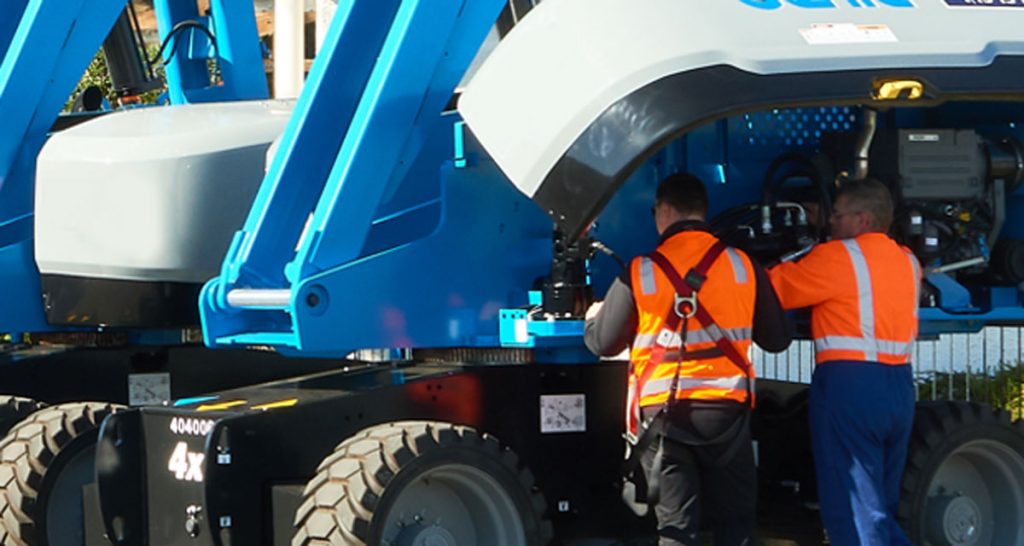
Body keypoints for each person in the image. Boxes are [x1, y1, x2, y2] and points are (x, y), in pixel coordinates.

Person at [585, 172, 791, 546]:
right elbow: (777, 340)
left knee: (677, 530)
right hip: (727, 415)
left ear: (664, 210)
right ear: (702, 211)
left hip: (665, 419)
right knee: (737, 526)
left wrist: (590, 320)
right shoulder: (744, 266)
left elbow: (603, 344)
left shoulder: (641, 271)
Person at [768, 179, 920, 546]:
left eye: (837, 215)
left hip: (851, 387)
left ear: (863, 220)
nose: (830, 223)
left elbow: (775, 289)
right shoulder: (909, 262)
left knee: (853, 511)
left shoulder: (840, 257)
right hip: (899, 386)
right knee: (879, 508)